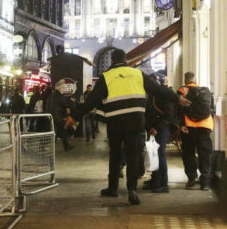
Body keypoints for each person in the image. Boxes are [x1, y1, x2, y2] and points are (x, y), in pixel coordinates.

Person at [67, 49, 185, 206]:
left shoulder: (107, 77)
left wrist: (74, 116)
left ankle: (113, 188)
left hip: (115, 122)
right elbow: (159, 90)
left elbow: (92, 101)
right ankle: (132, 190)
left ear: (111, 61)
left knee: (115, 155)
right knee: (133, 156)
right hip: (136, 122)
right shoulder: (138, 74)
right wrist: (177, 98)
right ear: (126, 60)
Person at [178, 72, 213, 190]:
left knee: (188, 153)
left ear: (185, 80)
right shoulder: (205, 91)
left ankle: (192, 178)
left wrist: (181, 124)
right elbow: (211, 108)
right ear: (195, 79)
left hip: (189, 126)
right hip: (205, 125)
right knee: (205, 154)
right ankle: (205, 183)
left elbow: (179, 109)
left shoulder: (182, 90)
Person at [144, 74, 177, 193]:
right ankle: (155, 179)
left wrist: (157, 128)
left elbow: (169, 116)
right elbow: (148, 112)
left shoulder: (166, 96)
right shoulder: (151, 95)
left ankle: (163, 183)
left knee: (159, 154)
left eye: (153, 82)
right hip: (152, 129)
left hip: (162, 129)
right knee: (153, 154)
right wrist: (148, 127)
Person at [45, 79, 76, 151]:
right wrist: (69, 106)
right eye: (63, 87)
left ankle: (65, 146)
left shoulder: (51, 95)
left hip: (51, 116)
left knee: (59, 131)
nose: (64, 89)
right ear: (60, 88)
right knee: (61, 130)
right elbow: (64, 104)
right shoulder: (59, 95)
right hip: (58, 116)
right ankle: (64, 146)